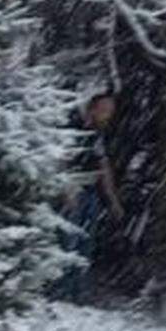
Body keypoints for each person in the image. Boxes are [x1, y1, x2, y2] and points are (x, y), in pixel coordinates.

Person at [53, 91, 125, 301]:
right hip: (74, 187)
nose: (106, 115)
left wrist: (112, 199)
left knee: (86, 241)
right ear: (92, 108)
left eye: (110, 111)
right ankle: (60, 289)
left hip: (91, 191)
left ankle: (77, 290)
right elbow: (62, 160)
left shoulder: (98, 134)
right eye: (103, 110)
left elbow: (104, 166)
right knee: (68, 240)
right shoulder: (74, 130)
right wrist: (67, 189)